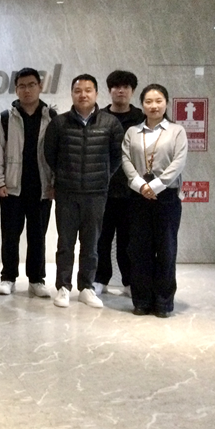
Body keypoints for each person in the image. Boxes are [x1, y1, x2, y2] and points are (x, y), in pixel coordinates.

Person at [44, 74, 124, 309]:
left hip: (96, 193)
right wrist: (63, 176)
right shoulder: (59, 123)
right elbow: (50, 155)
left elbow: (117, 157)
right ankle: (63, 287)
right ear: (72, 94)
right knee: (65, 243)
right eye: (78, 90)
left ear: (96, 93)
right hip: (67, 192)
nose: (83, 94)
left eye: (88, 90)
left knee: (91, 244)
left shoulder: (110, 123)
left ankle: (87, 287)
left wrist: (102, 177)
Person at [121, 84, 188, 318]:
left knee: (166, 249)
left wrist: (157, 186)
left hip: (167, 197)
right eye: (148, 101)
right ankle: (141, 300)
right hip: (138, 196)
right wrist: (141, 185)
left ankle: (163, 302)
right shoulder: (132, 132)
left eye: (158, 101)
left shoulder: (177, 131)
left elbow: (178, 162)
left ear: (166, 103)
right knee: (140, 250)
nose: (154, 106)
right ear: (142, 105)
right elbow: (126, 160)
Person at [0, 68, 56, 298]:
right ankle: (8, 277)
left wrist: (55, 183)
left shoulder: (52, 118)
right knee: (10, 236)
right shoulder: (6, 119)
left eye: (31, 85)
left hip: (42, 188)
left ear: (40, 87)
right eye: (22, 86)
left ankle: (36, 280)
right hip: (12, 188)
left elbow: (58, 154)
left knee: (38, 237)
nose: (27, 90)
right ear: (16, 89)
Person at [94, 70, 143, 298]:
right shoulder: (99, 117)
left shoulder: (141, 118)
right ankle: (99, 279)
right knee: (101, 239)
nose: (120, 91)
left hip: (133, 192)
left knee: (129, 240)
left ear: (132, 91)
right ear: (109, 90)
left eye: (125, 87)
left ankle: (130, 282)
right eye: (116, 87)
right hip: (103, 189)